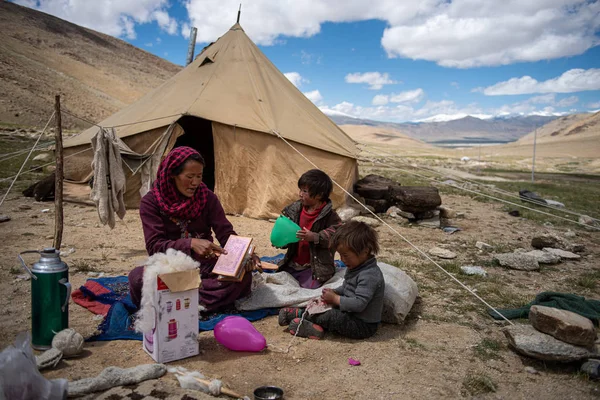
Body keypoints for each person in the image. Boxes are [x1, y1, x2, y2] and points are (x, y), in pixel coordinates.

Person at [128, 146, 260, 312]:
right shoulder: (151, 203)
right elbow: (154, 246)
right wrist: (189, 243)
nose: (196, 182)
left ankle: (179, 302)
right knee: (138, 279)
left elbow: (226, 234)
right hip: (171, 268)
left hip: (205, 267)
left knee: (242, 278)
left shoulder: (207, 197)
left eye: (199, 176)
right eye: (189, 176)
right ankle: (199, 302)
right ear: (172, 175)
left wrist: (246, 255)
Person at [278, 220, 385, 340]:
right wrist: (335, 292)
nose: (343, 259)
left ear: (364, 251)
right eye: (341, 255)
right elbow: (347, 287)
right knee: (322, 305)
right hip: (348, 313)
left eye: (346, 255)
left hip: (362, 325)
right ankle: (312, 326)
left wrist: (335, 298)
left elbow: (359, 304)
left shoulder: (369, 275)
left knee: (331, 316)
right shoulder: (355, 266)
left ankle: (302, 316)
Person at [277, 169, 342, 289]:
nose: (300, 194)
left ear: (319, 195)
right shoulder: (295, 209)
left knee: (309, 289)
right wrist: (281, 241)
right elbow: (286, 229)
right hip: (293, 262)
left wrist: (315, 237)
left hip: (314, 267)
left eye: (305, 191)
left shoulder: (329, 215)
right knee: (280, 282)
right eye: (300, 190)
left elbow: (338, 233)